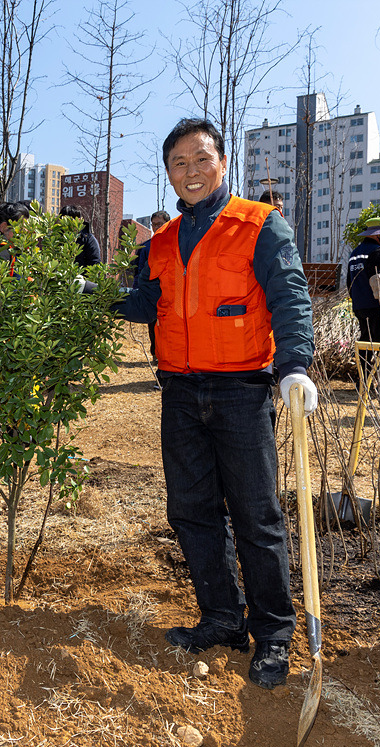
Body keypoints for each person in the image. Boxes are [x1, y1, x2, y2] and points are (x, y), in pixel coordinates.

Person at [113, 118, 316, 690]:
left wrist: (294, 368)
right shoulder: (162, 241)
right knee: (192, 510)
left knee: (257, 516)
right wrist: (89, 293)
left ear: (222, 162)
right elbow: (146, 303)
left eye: (201, 159)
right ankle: (222, 616)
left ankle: (274, 632)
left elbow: (290, 298)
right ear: (170, 174)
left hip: (242, 390)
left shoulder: (260, 225)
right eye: (179, 163)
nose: (192, 171)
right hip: (179, 391)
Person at [347, 217, 380, 386]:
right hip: (377, 305)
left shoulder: (355, 253)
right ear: (378, 235)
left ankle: (364, 381)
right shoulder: (377, 251)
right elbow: (378, 278)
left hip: (360, 305)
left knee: (367, 342)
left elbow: (350, 282)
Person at [133, 210, 172, 362]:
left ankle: (168, 355)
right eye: (154, 224)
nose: (156, 227)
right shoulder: (145, 247)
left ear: (167, 223)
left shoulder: (176, 243)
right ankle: (156, 354)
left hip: (170, 293)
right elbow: (138, 270)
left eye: (159, 224)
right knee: (153, 324)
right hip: (151, 294)